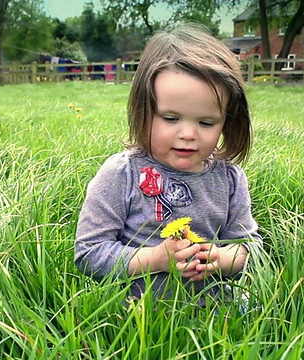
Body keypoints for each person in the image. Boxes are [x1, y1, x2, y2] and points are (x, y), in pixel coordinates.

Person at [74, 24, 262, 304]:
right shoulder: (121, 174)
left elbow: (250, 249)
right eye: (171, 119)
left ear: (227, 121)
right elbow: (89, 253)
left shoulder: (230, 179)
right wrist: (155, 260)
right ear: (143, 110)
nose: (188, 134)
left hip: (216, 316)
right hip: (136, 319)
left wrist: (221, 259)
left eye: (206, 122)